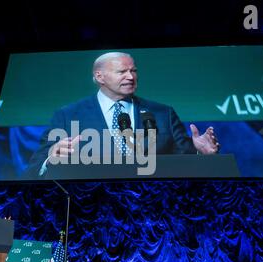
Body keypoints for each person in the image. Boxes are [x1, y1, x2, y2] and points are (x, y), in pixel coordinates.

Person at [27, 52, 220, 178]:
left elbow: (182, 164)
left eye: (133, 71)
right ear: (99, 77)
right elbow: (34, 169)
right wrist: (50, 158)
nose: (131, 76)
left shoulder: (163, 113)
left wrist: (199, 153)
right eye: (122, 71)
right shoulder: (67, 116)